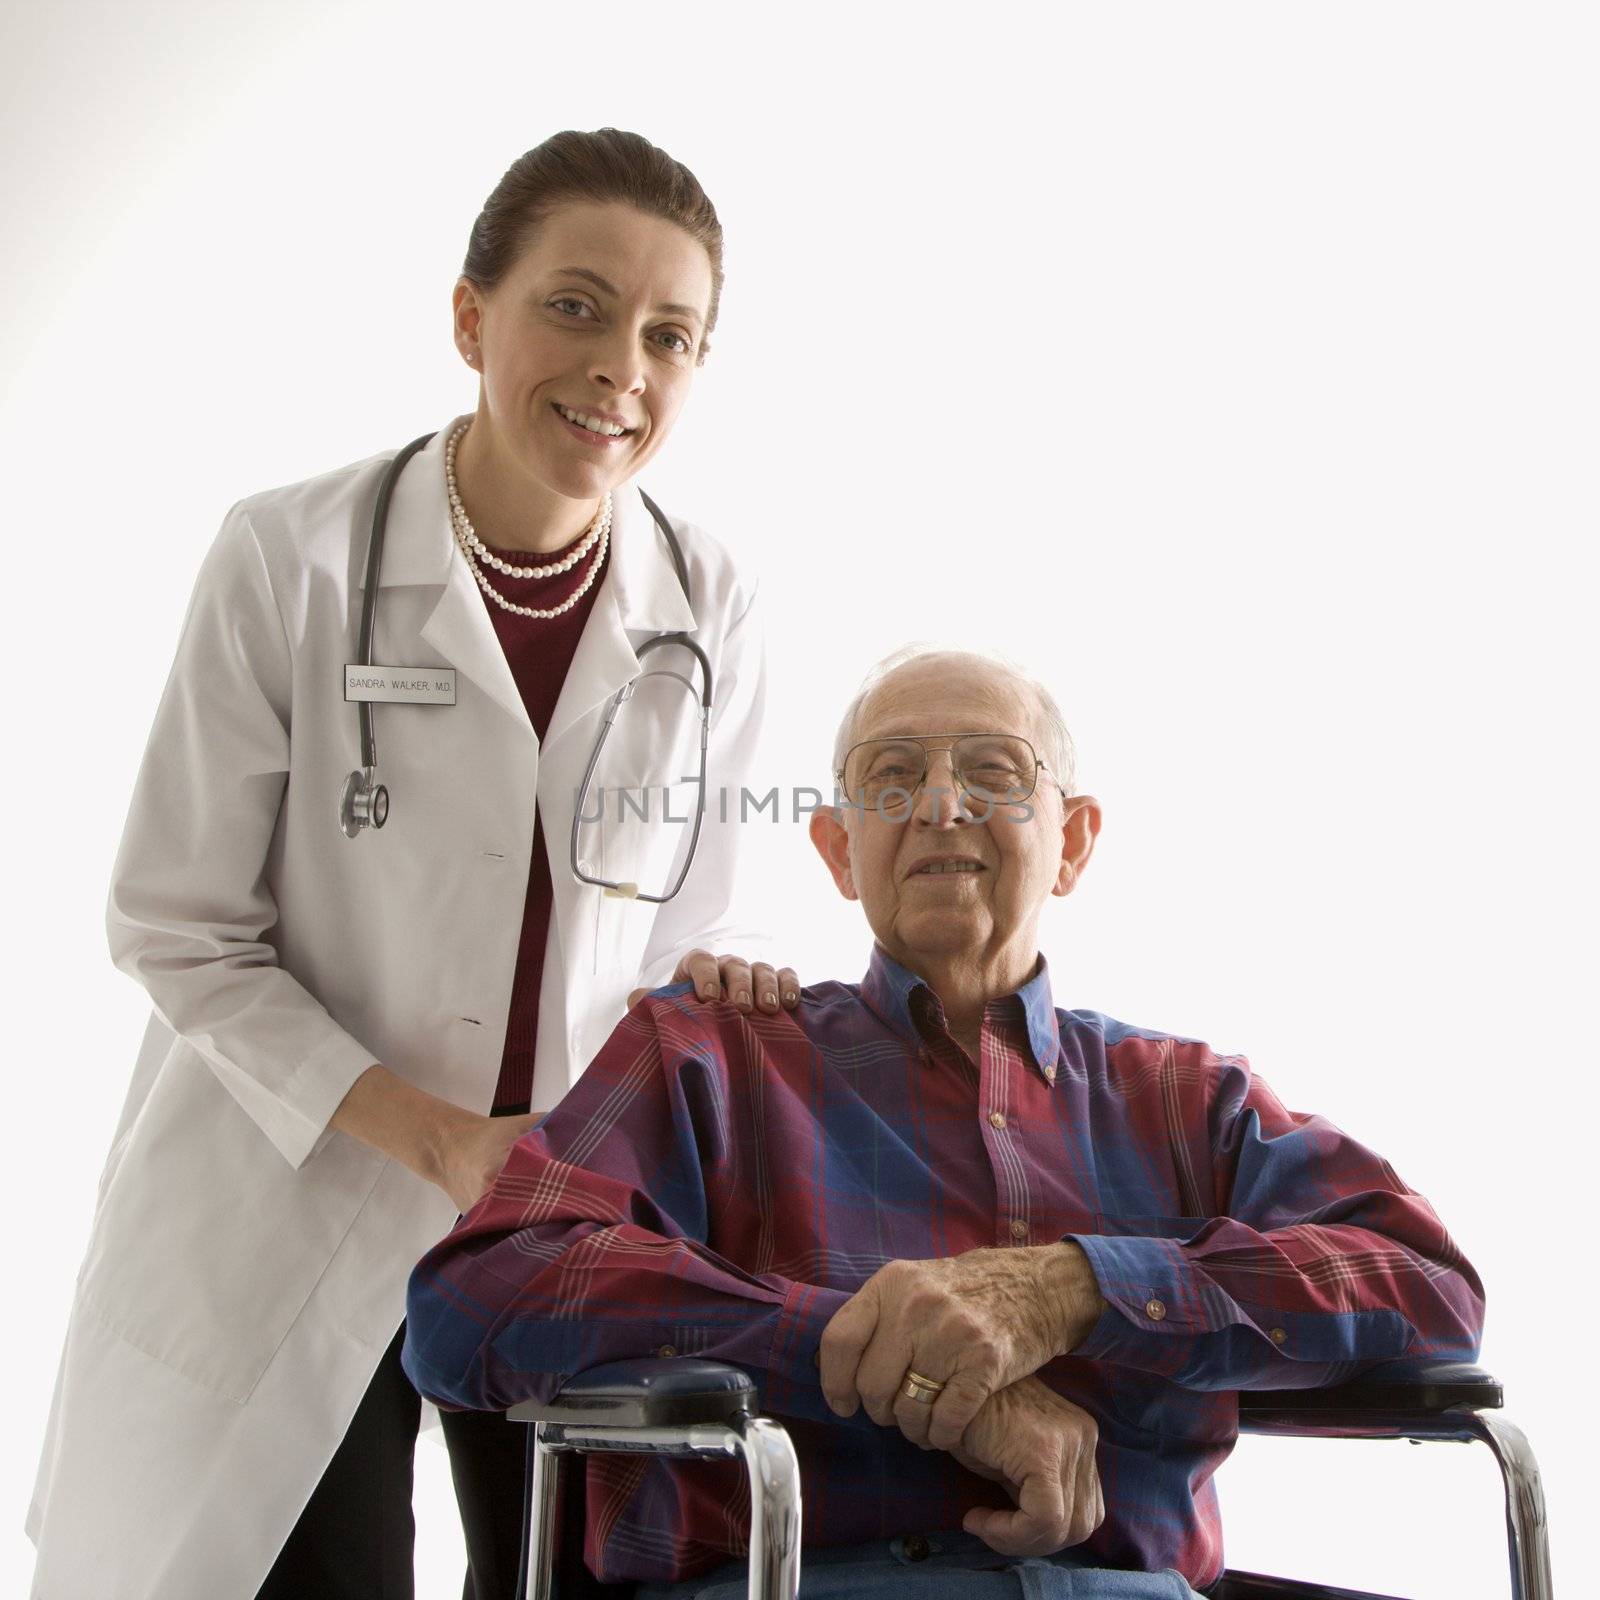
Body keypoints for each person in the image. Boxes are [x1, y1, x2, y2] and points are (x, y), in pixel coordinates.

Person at [27, 129, 799, 1600]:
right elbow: (178, 928)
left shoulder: (711, 600)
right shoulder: (288, 559)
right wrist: (441, 1137)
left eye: (669, 333)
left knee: (579, 1577)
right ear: (472, 319)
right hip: (289, 1196)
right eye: (574, 306)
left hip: (558, 1231)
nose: (620, 366)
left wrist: (718, 985)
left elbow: (682, 916)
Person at [403, 646, 1485, 1600]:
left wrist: (1078, 1290)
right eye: (891, 776)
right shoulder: (710, 1052)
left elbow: (1429, 1288)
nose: (936, 804)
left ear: (1073, 840)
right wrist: (850, 1347)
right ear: (837, 850)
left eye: (991, 771)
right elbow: (476, 1296)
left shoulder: (1188, 1098)